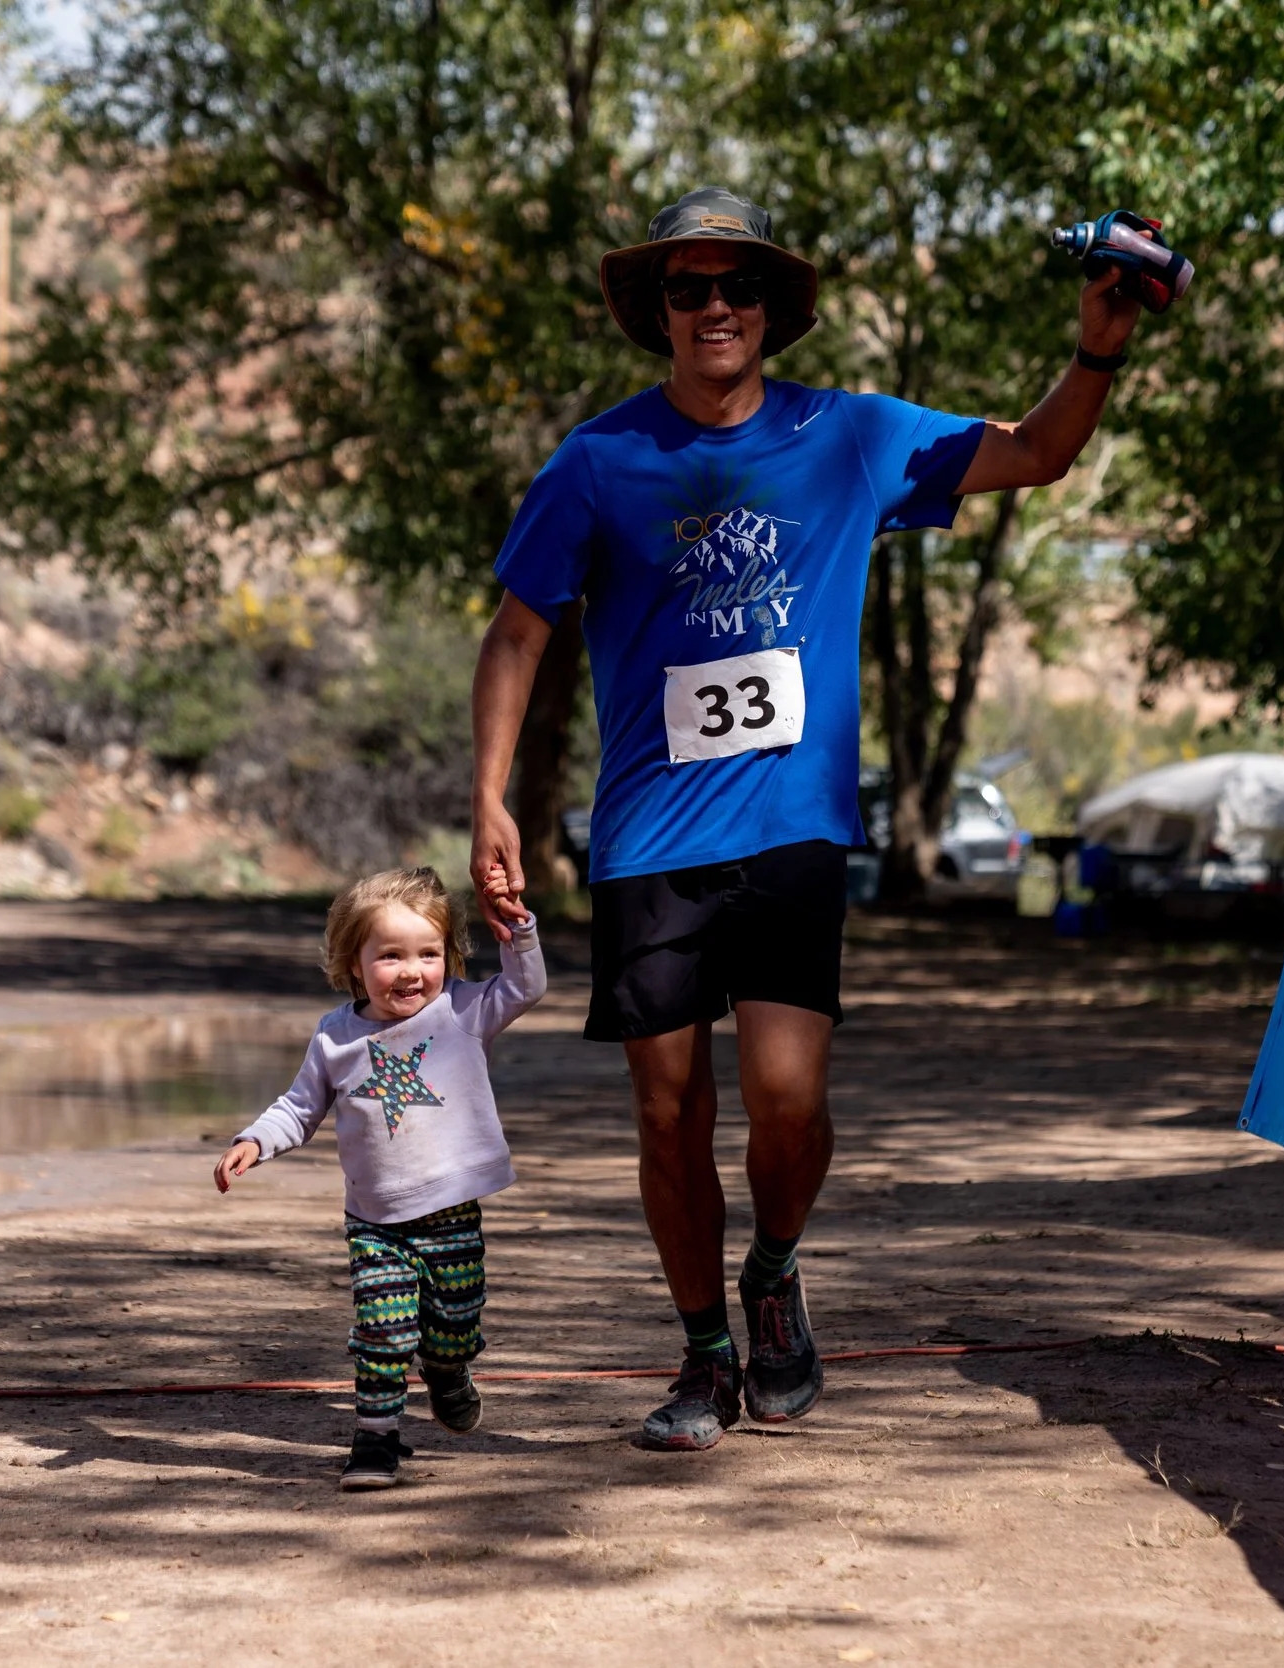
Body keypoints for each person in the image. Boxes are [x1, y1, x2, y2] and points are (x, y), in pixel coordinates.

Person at [468, 187, 1158, 1450]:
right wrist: (489, 803)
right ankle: (699, 1357)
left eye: (737, 286)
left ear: (774, 310)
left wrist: (1097, 345)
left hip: (790, 827)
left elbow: (1037, 452)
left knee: (785, 1100)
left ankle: (773, 1267)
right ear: (659, 313)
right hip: (646, 837)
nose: (715, 306)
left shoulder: (849, 438)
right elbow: (519, 630)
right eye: (689, 288)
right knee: (667, 1114)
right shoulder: (598, 461)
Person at [214, 866, 545, 1489]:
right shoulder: (336, 1036)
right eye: (390, 955)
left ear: (448, 957)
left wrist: (517, 927)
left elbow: (526, 986)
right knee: (383, 1329)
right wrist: (255, 1140)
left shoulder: (464, 1012)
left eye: (428, 953)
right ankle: (375, 1442)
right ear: (354, 961)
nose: (411, 971)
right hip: (375, 1221)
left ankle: (448, 1371)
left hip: (451, 1212)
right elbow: (299, 1106)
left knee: (453, 1325)